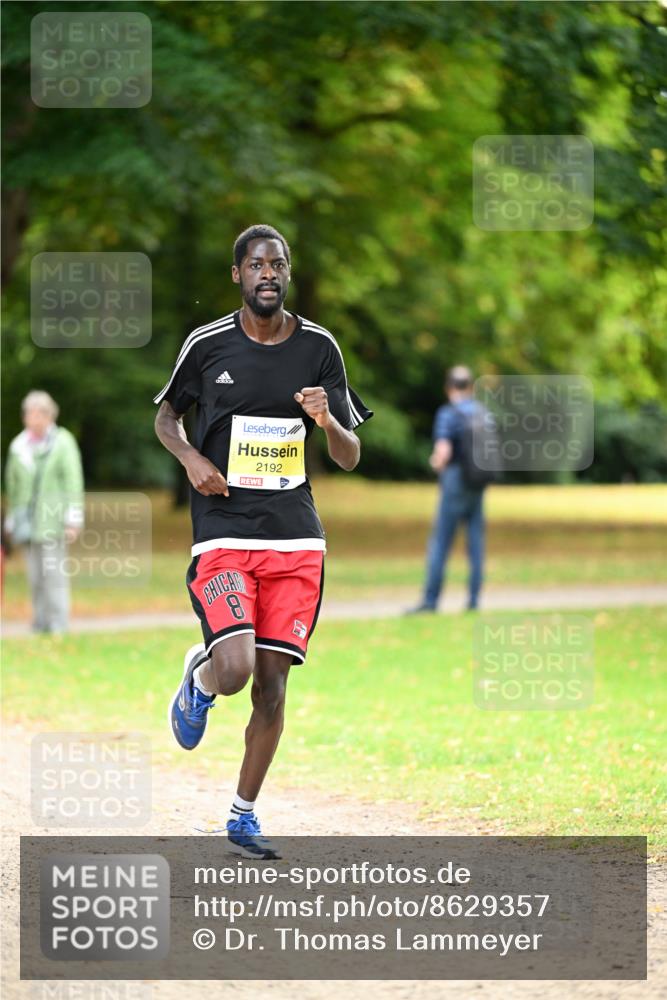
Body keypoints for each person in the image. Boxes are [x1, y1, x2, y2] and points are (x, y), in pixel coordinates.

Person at [154, 224, 372, 858]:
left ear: (288, 272)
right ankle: (199, 678)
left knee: (271, 686)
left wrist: (327, 417)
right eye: (256, 265)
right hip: (222, 530)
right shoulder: (207, 343)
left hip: (295, 540)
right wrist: (192, 460)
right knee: (235, 666)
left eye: (277, 264)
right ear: (238, 276)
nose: (267, 274)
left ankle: (243, 814)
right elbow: (166, 414)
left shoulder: (320, 350)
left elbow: (351, 455)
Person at [410, 366, 492, 614]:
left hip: (455, 479)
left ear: (448, 388)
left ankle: (431, 600)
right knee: (476, 542)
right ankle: (474, 600)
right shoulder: (483, 412)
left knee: (441, 542)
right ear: (471, 387)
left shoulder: (448, 413)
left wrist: (435, 463)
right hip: (477, 482)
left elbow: (443, 451)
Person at [4, 390, 84, 633]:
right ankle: (39, 623)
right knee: (35, 576)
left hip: (54, 521)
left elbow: (73, 480)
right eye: (27, 413)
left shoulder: (63, 442)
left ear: (49, 415)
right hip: (27, 522)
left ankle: (58, 624)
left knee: (54, 576)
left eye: (35, 413)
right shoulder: (18, 446)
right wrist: (11, 519)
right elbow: (13, 485)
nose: (29, 417)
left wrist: (73, 518)